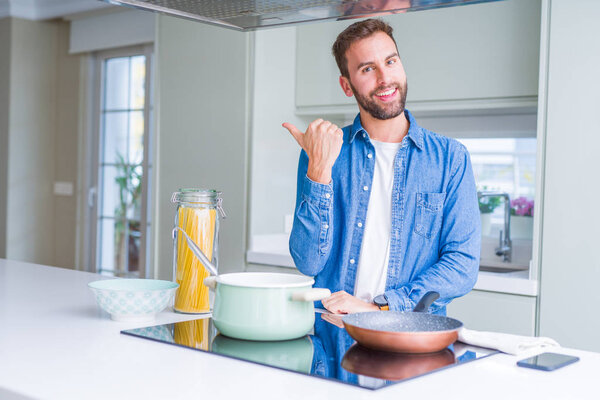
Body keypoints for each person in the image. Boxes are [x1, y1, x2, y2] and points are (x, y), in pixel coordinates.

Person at [283, 19, 480, 315]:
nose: (385, 78)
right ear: (346, 86)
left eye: (391, 61)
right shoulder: (324, 152)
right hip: (332, 340)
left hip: (409, 340)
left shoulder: (450, 159)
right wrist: (319, 171)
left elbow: (462, 265)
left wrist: (383, 308)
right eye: (367, 69)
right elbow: (308, 262)